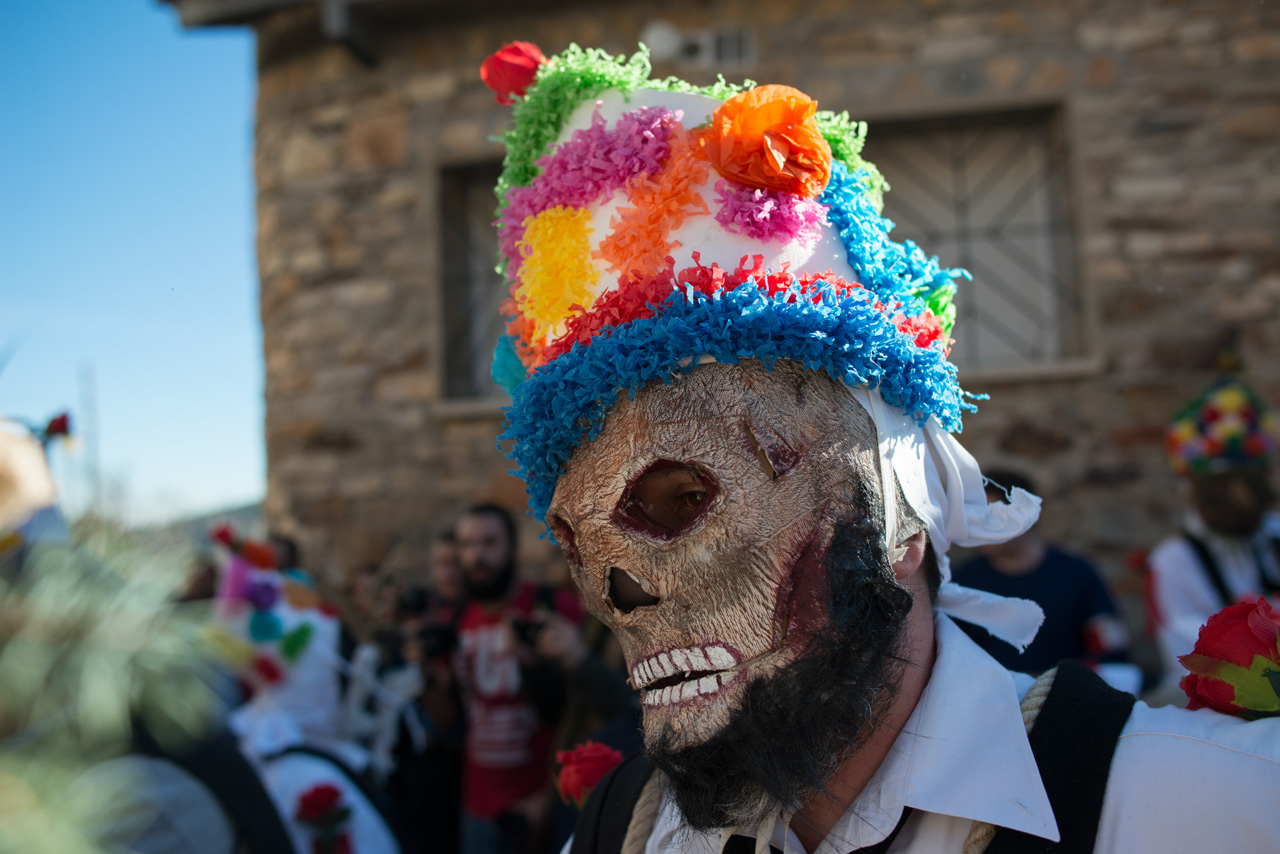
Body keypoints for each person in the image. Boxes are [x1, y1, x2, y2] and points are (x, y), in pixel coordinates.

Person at [478, 42, 1280, 853]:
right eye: (579, 544)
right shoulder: (624, 833)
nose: (617, 594)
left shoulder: (1209, 808)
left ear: (897, 523)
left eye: (685, 498)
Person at [451, 502, 586, 854]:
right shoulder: (456, 619)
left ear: (512, 549)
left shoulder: (553, 606)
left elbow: (587, 707)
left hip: (543, 806)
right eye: (467, 544)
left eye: (489, 542)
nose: (477, 556)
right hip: (477, 808)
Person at [1147, 375, 1280, 699]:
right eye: (1221, 491)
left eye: (1247, 485)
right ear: (1194, 493)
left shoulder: (1274, 534)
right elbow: (1191, 659)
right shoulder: (1172, 561)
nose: (1237, 502)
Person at [951, 468, 1131, 677]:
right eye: (973, 515)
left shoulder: (1076, 574)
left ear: (1023, 513)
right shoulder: (962, 583)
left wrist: (1067, 680)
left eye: (991, 515)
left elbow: (1111, 647)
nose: (979, 525)